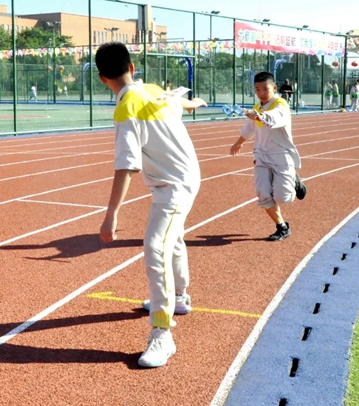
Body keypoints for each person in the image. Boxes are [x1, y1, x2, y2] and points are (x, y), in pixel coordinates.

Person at [95, 42, 208, 368]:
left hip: (174, 186)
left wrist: (111, 214)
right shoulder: (153, 90)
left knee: (155, 247)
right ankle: (179, 297)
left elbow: (126, 166)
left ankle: (162, 333)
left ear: (102, 78)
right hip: (185, 176)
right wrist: (192, 103)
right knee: (173, 239)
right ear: (132, 67)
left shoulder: (126, 108)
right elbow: (175, 100)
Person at [229, 71, 306, 241]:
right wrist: (239, 142)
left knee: (283, 198)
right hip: (261, 155)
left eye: (265, 89)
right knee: (263, 194)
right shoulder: (257, 107)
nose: (261, 93)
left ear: (275, 88)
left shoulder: (281, 104)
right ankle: (282, 227)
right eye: (257, 89)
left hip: (281, 155)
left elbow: (274, 117)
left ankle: (294, 180)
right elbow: (250, 128)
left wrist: (260, 116)